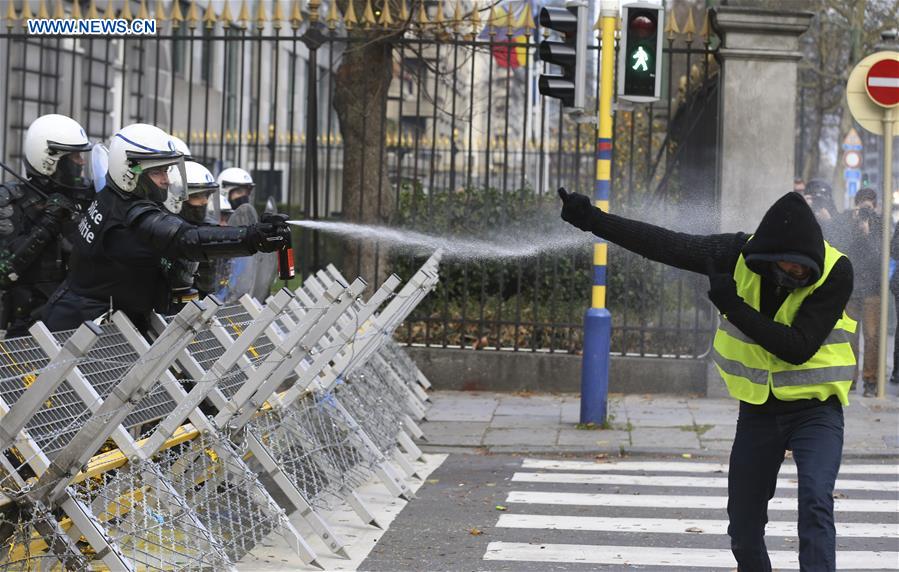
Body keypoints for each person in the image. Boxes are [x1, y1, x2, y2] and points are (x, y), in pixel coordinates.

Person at [559, 188, 854, 572]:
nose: (796, 274)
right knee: (744, 530)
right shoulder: (738, 255)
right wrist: (593, 220)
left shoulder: (835, 270)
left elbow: (797, 347)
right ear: (768, 255)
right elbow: (666, 245)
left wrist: (732, 306)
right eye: (788, 266)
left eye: (802, 268)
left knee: (815, 504)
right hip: (759, 412)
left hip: (817, 411)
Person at [42, 123, 290, 333]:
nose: (167, 179)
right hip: (83, 331)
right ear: (130, 170)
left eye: (167, 170)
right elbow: (185, 239)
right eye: (158, 171)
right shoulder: (130, 213)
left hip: (98, 324)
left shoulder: (114, 197)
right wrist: (251, 237)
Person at [0, 114, 93, 338]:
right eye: (74, 155)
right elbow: (5, 271)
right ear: (49, 158)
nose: (81, 162)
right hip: (25, 324)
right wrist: (48, 222)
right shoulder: (11, 201)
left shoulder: (84, 196)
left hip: (75, 316)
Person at [162, 160, 220, 313]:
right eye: (198, 196)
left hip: (204, 310)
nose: (205, 201)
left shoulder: (208, 230)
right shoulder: (165, 236)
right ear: (175, 199)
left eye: (207, 195)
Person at [844, 188, 882, 397]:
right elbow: (843, 248)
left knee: (872, 336)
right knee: (850, 337)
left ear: (874, 205)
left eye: (869, 203)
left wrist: (868, 233)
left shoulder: (880, 224)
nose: (866, 207)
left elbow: (881, 255)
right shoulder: (849, 222)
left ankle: (870, 381)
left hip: (873, 289)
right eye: (862, 203)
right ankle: (849, 379)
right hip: (852, 288)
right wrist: (854, 226)